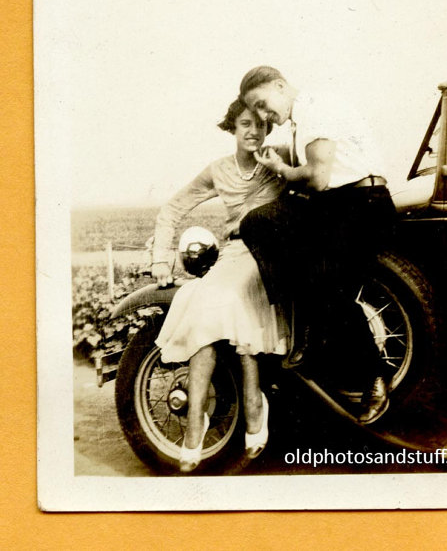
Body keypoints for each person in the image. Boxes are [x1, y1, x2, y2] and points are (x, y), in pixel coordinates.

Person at [239, 66, 397, 425]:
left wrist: (281, 168)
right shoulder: (304, 116)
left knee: (326, 286)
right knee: (257, 223)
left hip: (362, 205)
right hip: (337, 206)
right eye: (256, 112)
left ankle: (376, 375)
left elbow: (318, 177)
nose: (265, 116)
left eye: (263, 104)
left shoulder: (315, 107)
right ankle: (309, 327)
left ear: (280, 85)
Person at [151, 99, 288, 472]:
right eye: (245, 123)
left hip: (273, 256)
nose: (253, 131)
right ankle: (197, 417)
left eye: (261, 124)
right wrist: (161, 259)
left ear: (269, 128)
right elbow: (172, 208)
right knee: (203, 301)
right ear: (232, 127)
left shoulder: (281, 160)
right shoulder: (219, 170)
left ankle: (254, 401)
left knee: (222, 299)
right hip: (235, 255)